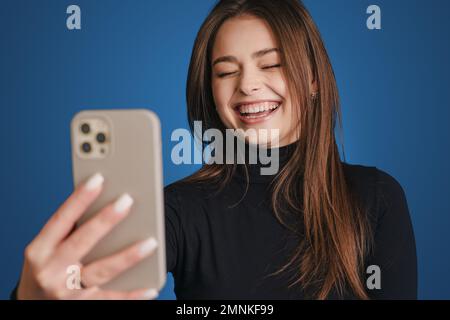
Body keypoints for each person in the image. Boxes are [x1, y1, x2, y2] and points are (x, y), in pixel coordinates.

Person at [13, 0, 417, 300]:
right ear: (209, 90)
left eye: (271, 64)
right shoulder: (176, 210)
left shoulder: (376, 197)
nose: (247, 85)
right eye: (226, 71)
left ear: (313, 79)